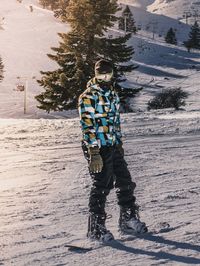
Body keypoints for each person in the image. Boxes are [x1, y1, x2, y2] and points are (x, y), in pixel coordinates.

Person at [78, 59, 147, 242]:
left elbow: (115, 123)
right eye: (101, 74)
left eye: (108, 74)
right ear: (96, 74)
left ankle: (128, 219)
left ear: (112, 74)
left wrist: (119, 144)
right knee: (102, 185)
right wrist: (93, 152)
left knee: (125, 181)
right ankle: (96, 228)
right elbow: (87, 126)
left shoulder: (113, 95)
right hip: (97, 146)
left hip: (112, 145)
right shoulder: (88, 96)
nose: (105, 77)